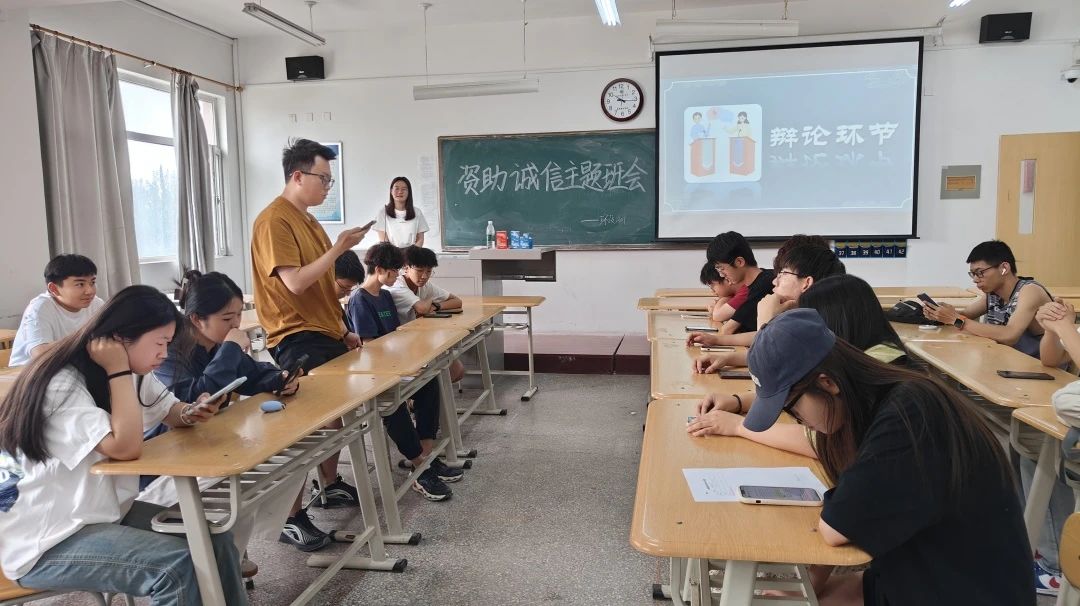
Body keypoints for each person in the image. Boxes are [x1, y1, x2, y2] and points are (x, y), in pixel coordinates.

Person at [738, 309, 1034, 606]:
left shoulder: (910, 415)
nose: (798, 420)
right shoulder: (877, 405)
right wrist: (809, 586)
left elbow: (837, 527)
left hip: (962, 592)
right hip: (918, 574)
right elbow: (846, 516)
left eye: (791, 407)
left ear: (828, 383)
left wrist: (808, 586)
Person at [0, 285, 248, 605]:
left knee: (215, 540)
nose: (164, 353)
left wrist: (190, 412)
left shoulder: (131, 369)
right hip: (47, 539)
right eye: (159, 343)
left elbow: (168, 410)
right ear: (120, 339)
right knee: (174, 567)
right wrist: (116, 369)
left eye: (168, 343)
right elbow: (125, 447)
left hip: (103, 513)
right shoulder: (61, 382)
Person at [250, 139, 371, 545]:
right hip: (295, 333)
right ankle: (290, 515)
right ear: (298, 176)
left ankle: (330, 484)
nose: (327, 187)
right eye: (324, 178)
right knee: (306, 425)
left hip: (323, 331)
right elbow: (297, 283)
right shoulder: (274, 221)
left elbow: (323, 288)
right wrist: (339, 248)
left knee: (335, 416)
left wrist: (342, 328)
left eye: (330, 180)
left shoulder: (311, 222)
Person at [148, 270, 317, 557]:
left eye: (239, 315)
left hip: (212, 441)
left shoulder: (218, 345)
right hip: (174, 453)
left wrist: (280, 378)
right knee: (248, 479)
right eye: (227, 318)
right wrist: (230, 348)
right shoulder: (169, 352)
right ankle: (225, 556)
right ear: (196, 319)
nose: (236, 324)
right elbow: (194, 397)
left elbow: (252, 374)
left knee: (293, 457)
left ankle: (235, 552)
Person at [688, 275, 907, 457]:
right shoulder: (858, 363)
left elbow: (824, 441)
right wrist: (738, 402)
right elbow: (793, 384)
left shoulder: (882, 373)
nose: (775, 281)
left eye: (784, 273)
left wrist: (738, 426)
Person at [344, 242, 463, 501]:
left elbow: (396, 335)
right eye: (394, 271)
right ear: (379, 269)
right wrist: (400, 366)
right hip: (375, 373)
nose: (397, 276)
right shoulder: (360, 300)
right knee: (393, 406)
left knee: (429, 384)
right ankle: (420, 467)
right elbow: (370, 348)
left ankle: (425, 457)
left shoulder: (385, 296)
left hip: (396, 366)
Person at [692, 240, 844, 372]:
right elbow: (775, 348)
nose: (774, 281)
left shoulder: (817, 330)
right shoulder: (802, 318)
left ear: (806, 283)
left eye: (783, 274)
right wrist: (725, 355)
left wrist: (766, 321)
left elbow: (765, 369)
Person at [923, 240, 1051, 358]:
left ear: (1004, 268)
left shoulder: (1030, 291)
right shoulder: (993, 293)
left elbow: (1010, 335)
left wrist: (955, 319)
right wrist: (940, 313)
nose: (975, 279)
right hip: (1007, 359)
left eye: (980, 272)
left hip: (1037, 364)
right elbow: (966, 315)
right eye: (973, 274)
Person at [9, 254, 105, 367]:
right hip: (32, 371)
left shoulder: (96, 303)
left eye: (92, 283)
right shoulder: (40, 308)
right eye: (80, 284)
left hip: (72, 366)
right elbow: (40, 353)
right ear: (54, 289)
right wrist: (85, 341)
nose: (90, 291)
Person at [387, 246, 466, 382]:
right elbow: (422, 309)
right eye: (419, 270)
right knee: (448, 373)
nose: (424, 276)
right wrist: (429, 300)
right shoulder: (398, 286)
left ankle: (430, 389)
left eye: (429, 271)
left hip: (419, 339)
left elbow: (457, 301)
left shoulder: (424, 285)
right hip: (399, 344)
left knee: (457, 371)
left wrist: (436, 305)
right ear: (406, 267)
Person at [686, 231, 774, 346]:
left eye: (721, 268)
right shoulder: (759, 280)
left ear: (739, 262)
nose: (721, 275)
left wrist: (713, 339)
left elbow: (727, 330)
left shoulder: (764, 285)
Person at [374, 176, 429, 248]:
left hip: (413, 253)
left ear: (409, 192)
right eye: (396, 188)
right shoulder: (383, 212)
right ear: (391, 191)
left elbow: (420, 239)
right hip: (390, 253)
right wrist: (394, 253)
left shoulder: (417, 212)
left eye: (404, 189)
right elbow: (384, 241)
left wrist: (411, 253)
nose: (400, 192)